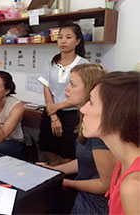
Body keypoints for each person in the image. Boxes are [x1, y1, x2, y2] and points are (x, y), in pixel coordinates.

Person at [38, 64, 116, 214]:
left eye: (72, 85)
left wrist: (67, 183)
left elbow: (105, 184)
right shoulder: (84, 118)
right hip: (84, 196)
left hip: (96, 205)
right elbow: (87, 160)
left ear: (90, 89)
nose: (66, 88)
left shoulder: (98, 129)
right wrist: (55, 170)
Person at [80, 71, 140, 215]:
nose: (83, 109)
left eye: (92, 102)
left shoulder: (133, 186)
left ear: (118, 114)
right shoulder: (122, 161)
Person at [37, 22, 89, 165]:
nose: (63, 41)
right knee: (51, 154)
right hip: (50, 113)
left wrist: (58, 106)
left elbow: (83, 95)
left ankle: (66, 185)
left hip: (72, 116)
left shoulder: (84, 65)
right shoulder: (52, 62)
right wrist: (53, 115)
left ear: (77, 41)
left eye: (68, 37)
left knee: (68, 156)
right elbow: (47, 88)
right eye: (60, 37)